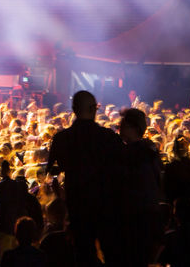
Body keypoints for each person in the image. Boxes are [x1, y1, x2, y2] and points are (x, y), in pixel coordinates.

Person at [47, 90, 124, 267]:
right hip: (106, 206)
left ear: (73, 109)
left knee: (83, 255)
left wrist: (62, 198)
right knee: (111, 254)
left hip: (77, 206)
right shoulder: (108, 137)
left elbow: (52, 175)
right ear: (93, 109)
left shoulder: (61, 138)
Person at [119, 107, 164, 267]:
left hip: (136, 219)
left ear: (134, 128)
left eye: (123, 125)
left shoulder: (136, 155)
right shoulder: (149, 152)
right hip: (144, 216)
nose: (119, 128)